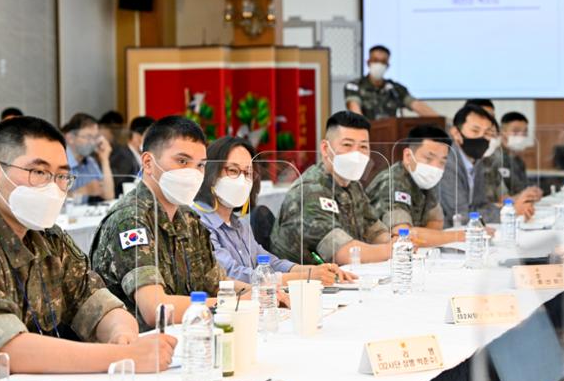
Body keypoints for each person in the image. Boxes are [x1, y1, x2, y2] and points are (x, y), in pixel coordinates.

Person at [0, 116, 175, 373]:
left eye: (61, 176)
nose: (53, 187)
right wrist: (120, 356)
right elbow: (7, 350)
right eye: (39, 172)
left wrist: (121, 335)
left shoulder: (48, 236)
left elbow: (97, 303)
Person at [91, 116, 242, 331]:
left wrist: (261, 293)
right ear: (148, 163)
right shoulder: (130, 220)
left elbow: (218, 283)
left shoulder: (188, 218)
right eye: (182, 161)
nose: (193, 172)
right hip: (138, 349)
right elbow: (156, 310)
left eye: (200, 165)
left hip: (188, 337)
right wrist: (234, 304)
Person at [193, 136, 355, 286]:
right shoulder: (198, 223)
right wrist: (304, 277)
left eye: (248, 173)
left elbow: (269, 263)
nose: (242, 180)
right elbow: (230, 274)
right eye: (233, 171)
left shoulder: (240, 225)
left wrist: (314, 270)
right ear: (211, 173)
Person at [271, 111, 392, 265]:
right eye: (347, 145)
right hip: (305, 284)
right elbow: (343, 254)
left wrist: (395, 241)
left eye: (363, 146)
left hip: (341, 278)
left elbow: (374, 230)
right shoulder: (310, 191)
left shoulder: (352, 185)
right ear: (325, 148)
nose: (357, 153)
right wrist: (394, 249)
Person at [366, 125, 469, 247]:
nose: (435, 167)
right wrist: (462, 235)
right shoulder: (392, 182)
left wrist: (426, 238)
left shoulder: (424, 181)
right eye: (428, 158)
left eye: (442, 162)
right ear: (408, 156)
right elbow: (404, 234)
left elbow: (436, 222)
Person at [437, 105, 535, 227]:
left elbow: (481, 205)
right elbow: (459, 216)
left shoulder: (476, 161)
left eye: (487, 133)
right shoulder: (446, 162)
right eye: (475, 131)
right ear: (456, 133)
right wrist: (508, 213)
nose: (482, 138)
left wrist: (509, 210)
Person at [344, 45, 438, 120]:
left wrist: (440, 120)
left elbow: (417, 105)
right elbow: (355, 110)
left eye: (383, 62)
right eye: (375, 60)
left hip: (392, 135)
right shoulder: (354, 86)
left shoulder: (394, 89)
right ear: (368, 62)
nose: (379, 65)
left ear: (388, 65)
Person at [62, 113, 115, 201]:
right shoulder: (59, 162)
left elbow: (109, 195)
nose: (92, 142)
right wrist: (82, 191)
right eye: (88, 137)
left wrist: (105, 159)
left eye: (95, 138)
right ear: (70, 138)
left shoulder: (90, 162)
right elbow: (49, 202)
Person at [111, 116, 156, 198]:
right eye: (149, 136)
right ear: (136, 135)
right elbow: (117, 186)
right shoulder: (122, 156)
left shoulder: (138, 155)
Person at [500, 111, 541, 197]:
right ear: (502, 132)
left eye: (525, 132)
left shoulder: (518, 160)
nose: (521, 135)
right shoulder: (496, 158)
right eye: (516, 131)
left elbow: (524, 186)